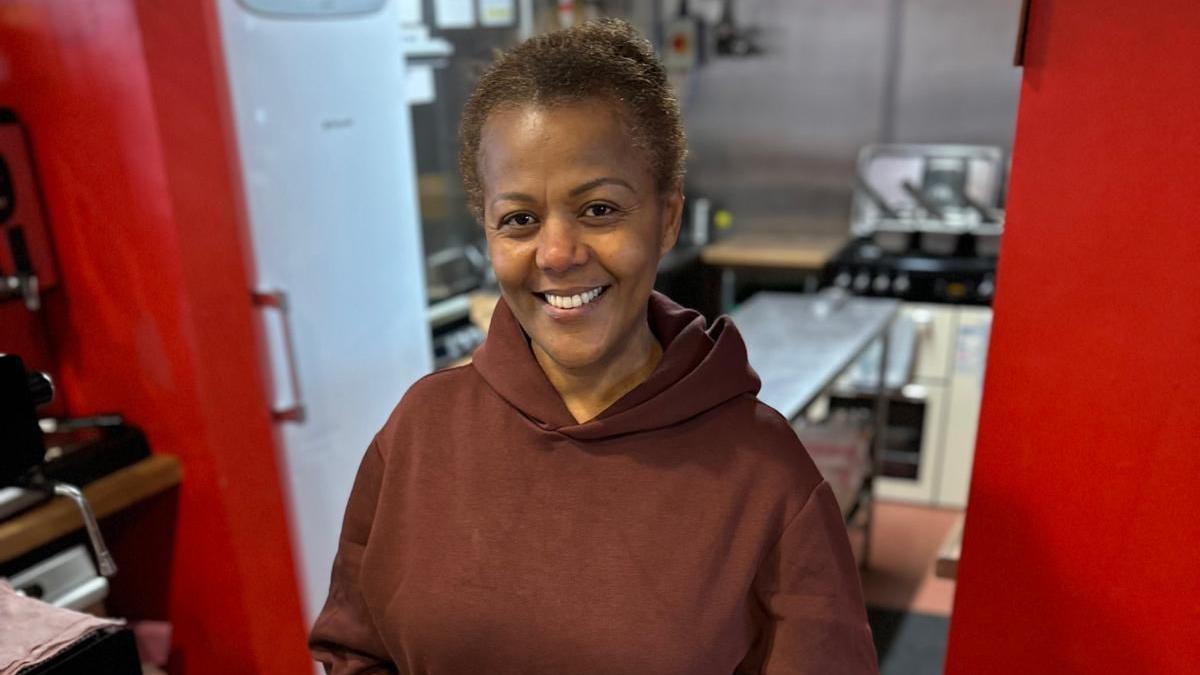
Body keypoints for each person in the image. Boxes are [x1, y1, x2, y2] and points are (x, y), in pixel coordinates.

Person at [309, 18, 876, 674]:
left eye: (599, 209)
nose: (557, 253)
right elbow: (357, 648)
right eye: (520, 219)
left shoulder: (767, 478)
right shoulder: (420, 432)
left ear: (666, 217)